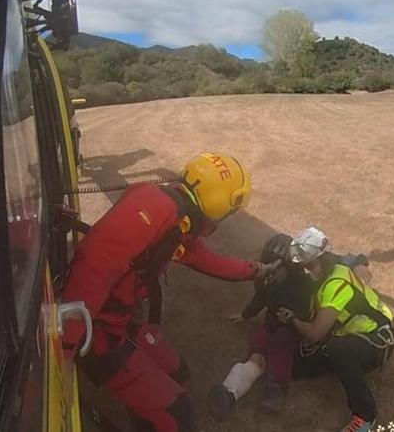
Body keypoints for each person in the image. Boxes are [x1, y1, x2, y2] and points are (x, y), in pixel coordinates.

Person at [59, 153, 279, 432]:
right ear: (221, 206)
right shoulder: (154, 214)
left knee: (177, 370)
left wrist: (257, 269)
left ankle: (142, 413)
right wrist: (64, 350)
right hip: (100, 334)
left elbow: (208, 261)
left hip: (120, 320)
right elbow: (93, 267)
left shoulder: (175, 216)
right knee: (177, 414)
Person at [216, 227, 394, 432]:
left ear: (322, 258)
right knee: (292, 365)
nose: (307, 271)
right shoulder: (313, 271)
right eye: (303, 267)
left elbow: (316, 332)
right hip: (342, 332)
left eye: (310, 265)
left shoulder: (336, 281)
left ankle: (365, 416)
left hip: (374, 336)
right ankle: (231, 390)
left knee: (339, 349)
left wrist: (291, 320)